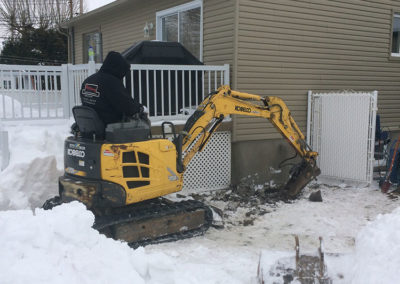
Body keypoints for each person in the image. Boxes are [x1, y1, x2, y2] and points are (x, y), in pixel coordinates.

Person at [80, 51, 142, 125]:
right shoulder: (111, 82)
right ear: (118, 68)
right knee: (141, 122)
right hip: (109, 126)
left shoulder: (88, 80)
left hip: (89, 125)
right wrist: (140, 108)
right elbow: (126, 106)